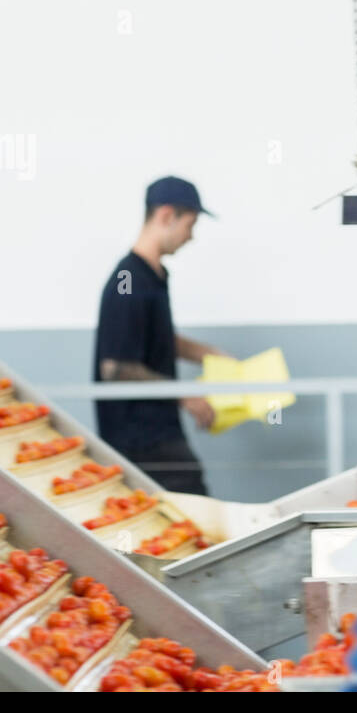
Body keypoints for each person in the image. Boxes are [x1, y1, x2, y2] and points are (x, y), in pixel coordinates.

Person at [93, 175, 230, 495]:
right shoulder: (128, 280)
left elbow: (154, 340)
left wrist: (209, 354)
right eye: (190, 225)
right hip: (139, 440)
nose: (191, 237)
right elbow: (116, 368)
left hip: (159, 431)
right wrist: (185, 395)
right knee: (191, 509)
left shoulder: (154, 276)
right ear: (167, 216)